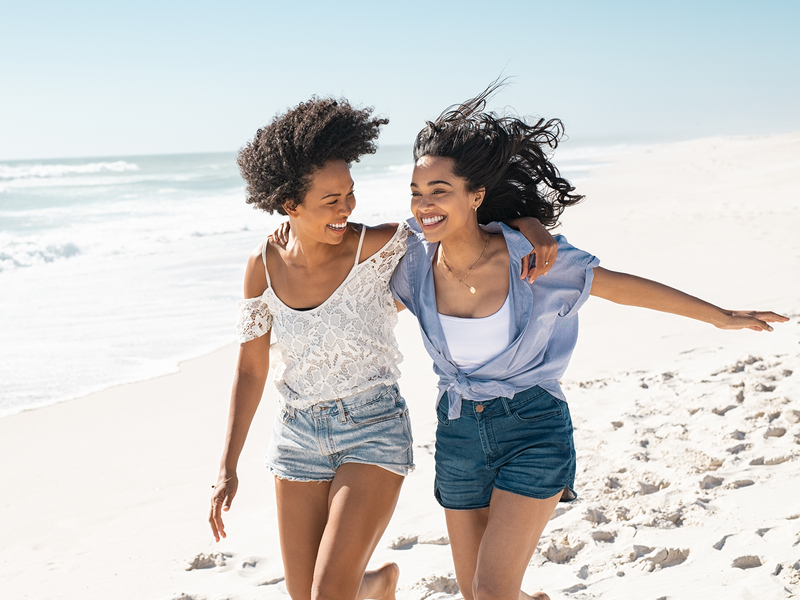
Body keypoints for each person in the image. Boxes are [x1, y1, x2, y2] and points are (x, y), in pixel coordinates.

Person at [389, 85, 789, 600]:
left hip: (532, 428)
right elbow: (345, 273)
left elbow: (620, 286)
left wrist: (719, 317)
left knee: (490, 593)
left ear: (476, 195)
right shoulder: (411, 262)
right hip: (458, 433)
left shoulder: (534, 261)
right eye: (416, 192)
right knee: (478, 595)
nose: (424, 205)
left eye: (439, 190)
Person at [208, 96, 556, 600]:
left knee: (328, 594)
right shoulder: (261, 266)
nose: (347, 208)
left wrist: (530, 225)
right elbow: (250, 371)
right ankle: (377, 586)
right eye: (331, 200)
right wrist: (227, 464)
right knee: (307, 597)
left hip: (373, 429)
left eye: (349, 194)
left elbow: (464, 222)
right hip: (296, 437)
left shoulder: (384, 246)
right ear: (290, 204)